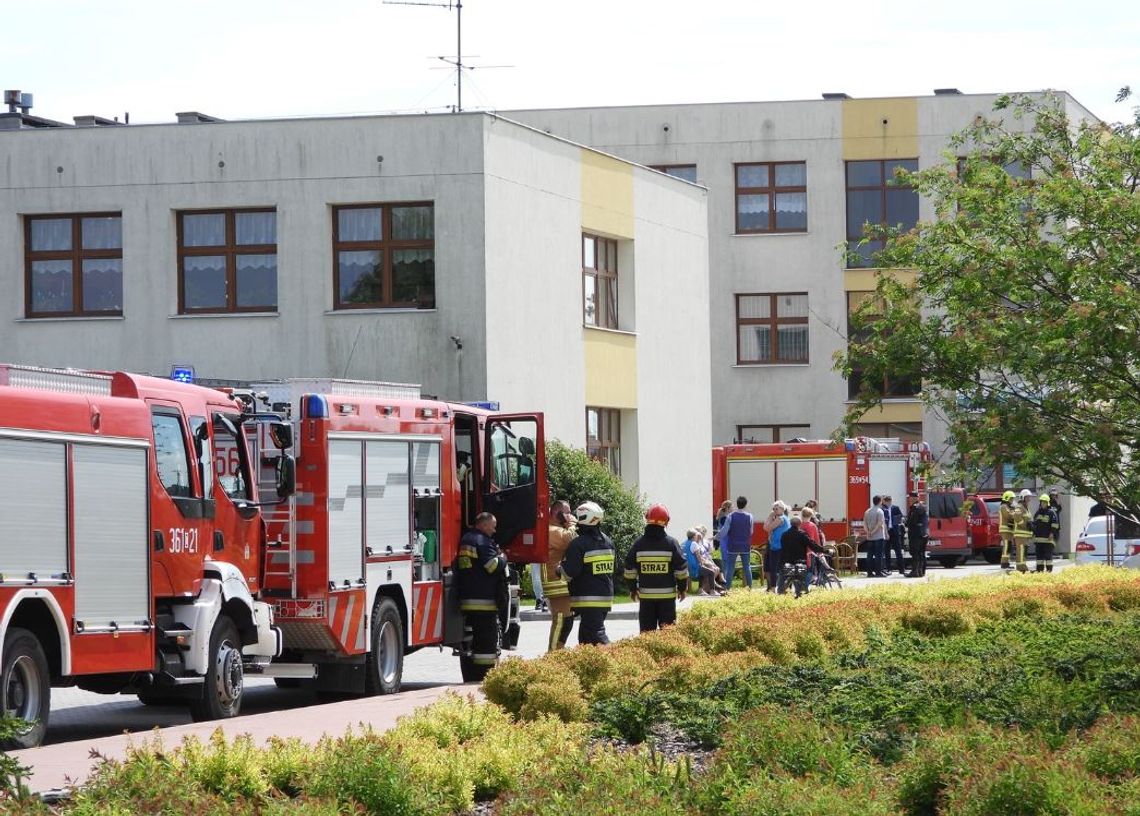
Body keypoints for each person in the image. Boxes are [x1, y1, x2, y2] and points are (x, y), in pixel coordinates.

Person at [456, 512, 507, 678]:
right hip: (484, 601)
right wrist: (502, 557)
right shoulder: (483, 541)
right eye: (492, 526)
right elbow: (491, 566)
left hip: (467, 598)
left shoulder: (466, 539)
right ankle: (485, 676)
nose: (494, 530)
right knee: (486, 642)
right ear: (484, 525)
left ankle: (471, 674)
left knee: (473, 639)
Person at [624, 504, 689, 632]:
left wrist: (632, 589)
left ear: (647, 519)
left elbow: (629, 570)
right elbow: (681, 570)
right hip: (667, 600)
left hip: (646, 599)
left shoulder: (639, 544)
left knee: (647, 635)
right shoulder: (671, 543)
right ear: (666, 522)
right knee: (668, 635)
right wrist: (682, 589)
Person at [561, 500, 616, 645]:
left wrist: (559, 569)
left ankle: (616, 661)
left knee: (597, 635)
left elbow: (570, 572)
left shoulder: (578, 544)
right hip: (605, 597)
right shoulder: (608, 541)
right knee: (585, 639)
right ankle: (590, 666)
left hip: (588, 599)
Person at [541, 500, 577, 651]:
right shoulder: (551, 530)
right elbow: (571, 539)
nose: (570, 515)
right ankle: (553, 653)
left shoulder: (556, 529)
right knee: (561, 620)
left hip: (562, 583)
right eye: (567, 512)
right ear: (557, 514)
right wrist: (573, 523)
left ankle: (558, 650)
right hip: (556, 584)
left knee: (567, 620)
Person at [777, 515, 827, 597]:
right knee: (800, 591)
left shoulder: (784, 535)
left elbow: (783, 549)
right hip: (799, 564)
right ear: (799, 524)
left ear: (790, 524)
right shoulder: (802, 534)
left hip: (786, 563)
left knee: (781, 591)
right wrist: (825, 550)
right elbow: (813, 546)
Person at [719, 496, 755, 590]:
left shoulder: (730, 516)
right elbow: (751, 532)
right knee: (747, 567)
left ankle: (728, 589)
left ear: (737, 504)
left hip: (733, 545)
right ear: (745, 505)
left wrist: (715, 537)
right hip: (745, 545)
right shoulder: (750, 516)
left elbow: (724, 531)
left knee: (730, 567)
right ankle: (750, 588)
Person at [763, 501, 791, 591]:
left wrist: (770, 516)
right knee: (777, 568)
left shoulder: (781, 519)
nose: (774, 510)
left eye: (777, 508)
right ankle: (784, 587)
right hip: (777, 546)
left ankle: (773, 588)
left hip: (778, 546)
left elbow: (766, 527)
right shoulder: (782, 518)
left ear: (782, 509)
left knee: (774, 569)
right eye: (773, 509)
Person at [1032, 493, 1060, 573]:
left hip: (1048, 539)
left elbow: (1055, 524)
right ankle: (1040, 571)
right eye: (1041, 502)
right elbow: (1035, 524)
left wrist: (1052, 533)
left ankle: (1049, 571)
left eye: (1044, 502)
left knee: (1048, 556)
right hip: (1038, 539)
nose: (1042, 503)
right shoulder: (1038, 512)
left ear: (1047, 503)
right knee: (1039, 557)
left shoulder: (1051, 512)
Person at [905, 491, 928, 577]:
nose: (909, 500)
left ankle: (915, 571)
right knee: (921, 553)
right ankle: (921, 571)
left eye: (910, 498)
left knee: (915, 553)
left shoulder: (915, 508)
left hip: (916, 534)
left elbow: (912, 521)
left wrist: (905, 523)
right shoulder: (922, 506)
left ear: (913, 498)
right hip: (923, 533)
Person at [863, 495, 887, 577]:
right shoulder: (880, 511)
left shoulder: (867, 511)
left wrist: (868, 532)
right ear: (880, 501)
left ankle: (869, 572)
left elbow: (864, 524)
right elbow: (880, 524)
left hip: (870, 537)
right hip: (878, 536)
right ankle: (878, 572)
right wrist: (873, 532)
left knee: (869, 555)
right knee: (878, 555)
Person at [1012, 489, 1034, 573]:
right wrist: (1025, 525)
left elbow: (1028, 519)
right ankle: (1021, 568)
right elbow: (1017, 517)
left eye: (1029, 497)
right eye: (1027, 497)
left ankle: (1023, 566)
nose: (1029, 499)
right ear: (1023, 498)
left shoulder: (1026, 508)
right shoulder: (1019, 507)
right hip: (1020, 535)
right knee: (1021, 551)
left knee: (1023, 552)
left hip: (1025, 535)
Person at [882, 495, 905, 575]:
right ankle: (888, 569)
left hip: (895, 531)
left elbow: (901, 517)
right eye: (886, 501)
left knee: (898, 551)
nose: (888, 503)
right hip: (886, 531)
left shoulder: (895, 508)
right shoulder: (882, 509)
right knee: (886, 551)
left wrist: (899, 521)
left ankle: (901, 569)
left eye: (889, 501)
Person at [998, 490, 1016, 569]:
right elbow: (1008, 516)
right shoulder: (1003, 507)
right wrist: (1015, 514)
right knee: (1007, 546)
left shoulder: (1009, 507)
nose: (1012, 500)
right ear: (1007, 498)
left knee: (1009, 546)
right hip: (1005, 529)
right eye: (1011, 499)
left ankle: (1006, 562)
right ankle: (1004, 563)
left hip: (1009, 530)